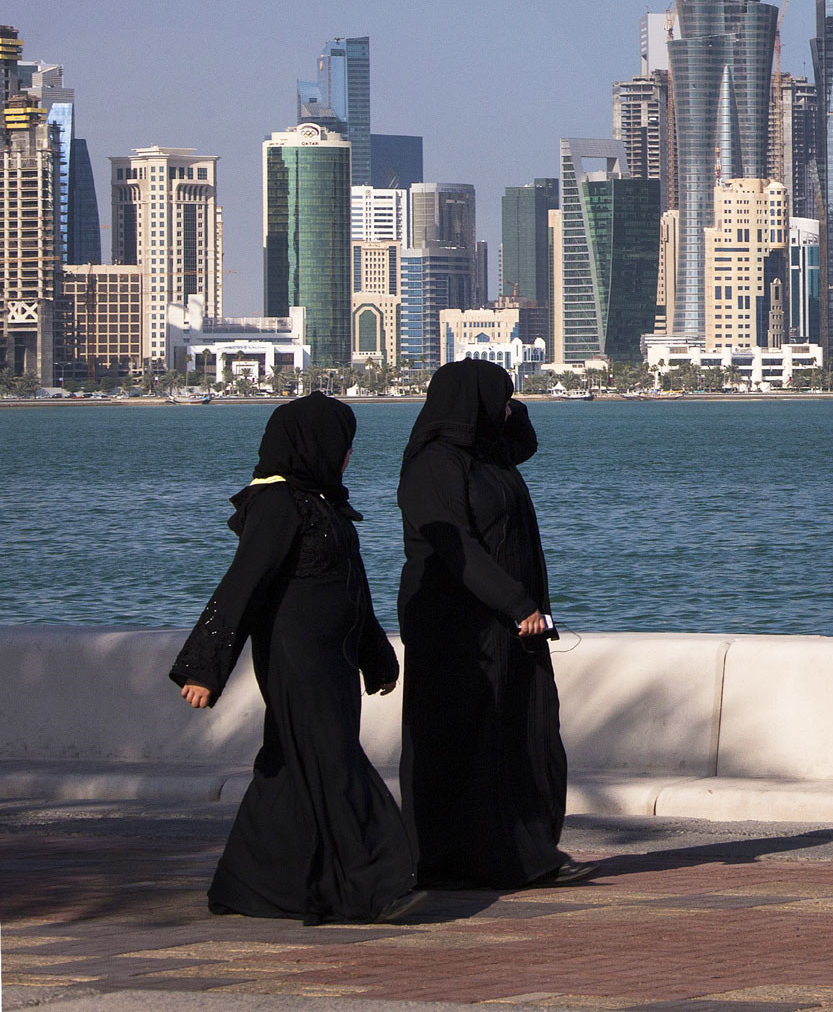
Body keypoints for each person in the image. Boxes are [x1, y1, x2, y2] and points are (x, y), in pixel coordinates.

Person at [170, 392, 424, 925]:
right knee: (332, 758)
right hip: (296, 658)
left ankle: (255, 884)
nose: (347, 456)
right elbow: (243, 584)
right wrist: (204, 668)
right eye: (341, 446)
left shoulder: (322, 503)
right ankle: (374, 876)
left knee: (288, 765)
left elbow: (350, 589)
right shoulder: (277, 503)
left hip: (333, 660)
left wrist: (374, 656)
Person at [396, 360, 592, 888]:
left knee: (523, 735)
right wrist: (516, 603)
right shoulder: (434, 465)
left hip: (509, 628)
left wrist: (505, 398)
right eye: (498, 402)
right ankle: (452, 859)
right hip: (459, 629)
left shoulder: (489, 456)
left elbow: (524, 439)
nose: (507, 412)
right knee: (462, 742)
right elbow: (458, 548)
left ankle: (524, 849)